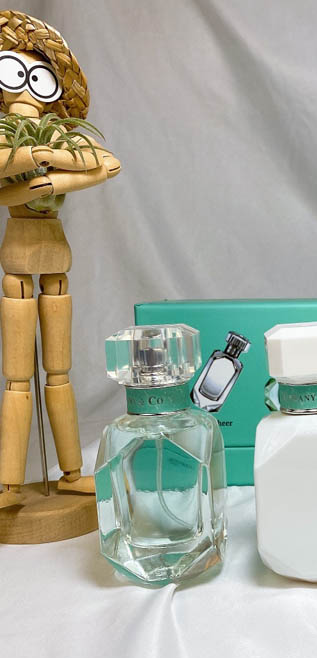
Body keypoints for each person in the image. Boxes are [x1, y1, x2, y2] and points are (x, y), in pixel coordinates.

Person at [0, 11, 120, 502]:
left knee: (60, 372)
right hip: (18, 257)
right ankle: (9, 482)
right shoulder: (8, 137)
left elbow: (106, 162)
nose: (27, 88)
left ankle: (70, 473)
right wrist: (31, 169)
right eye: (15, 73)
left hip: (55, 258)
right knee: (17, 377)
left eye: (38, 78)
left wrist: (50, 175)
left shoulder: (54, 138)